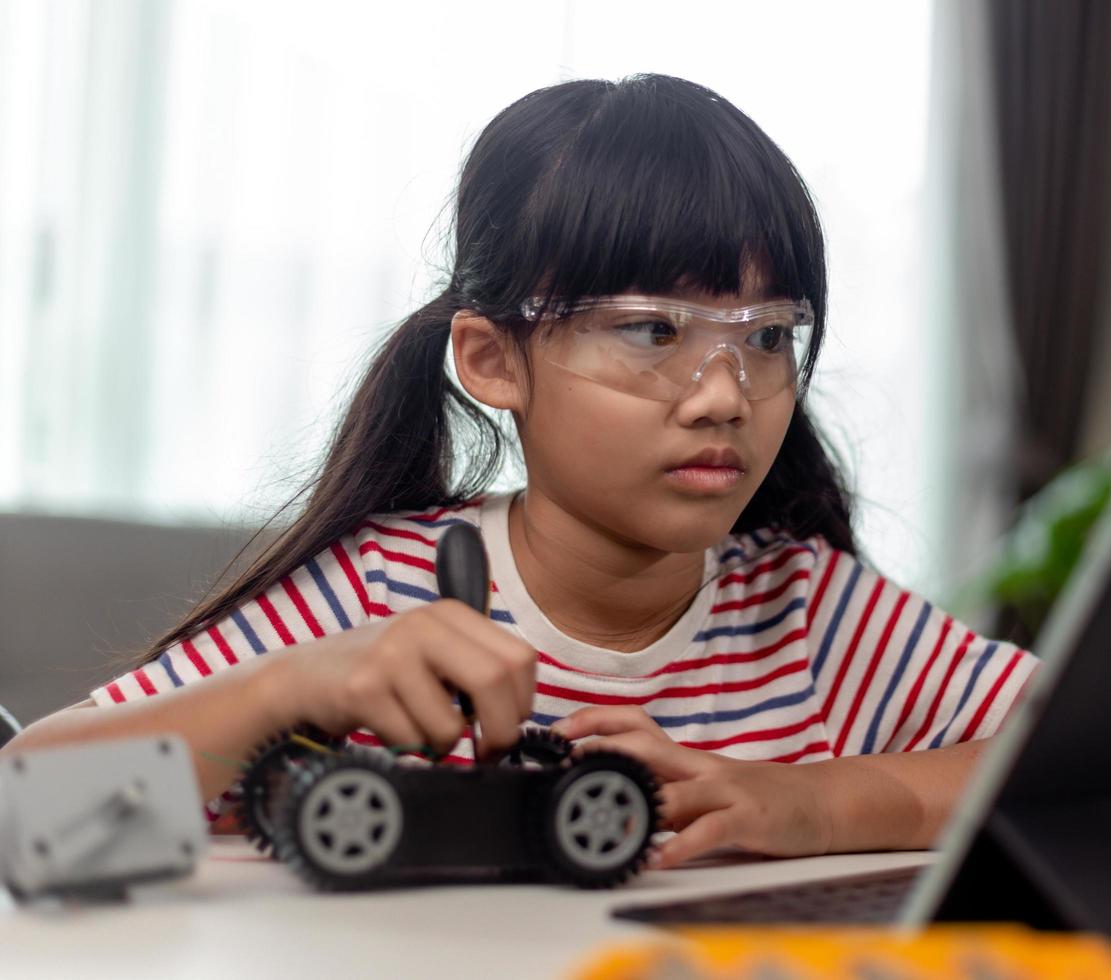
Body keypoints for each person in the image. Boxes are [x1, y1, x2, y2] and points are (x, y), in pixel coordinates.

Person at [2, 74, 1034, 870]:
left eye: (767, 338)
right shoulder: (378, 599)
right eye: (651, 329)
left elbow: (1090, 756)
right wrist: (293, 683)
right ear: (493, 359)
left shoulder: (811, 611)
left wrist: (812, 802)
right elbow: (26, 809)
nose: (726, 393)